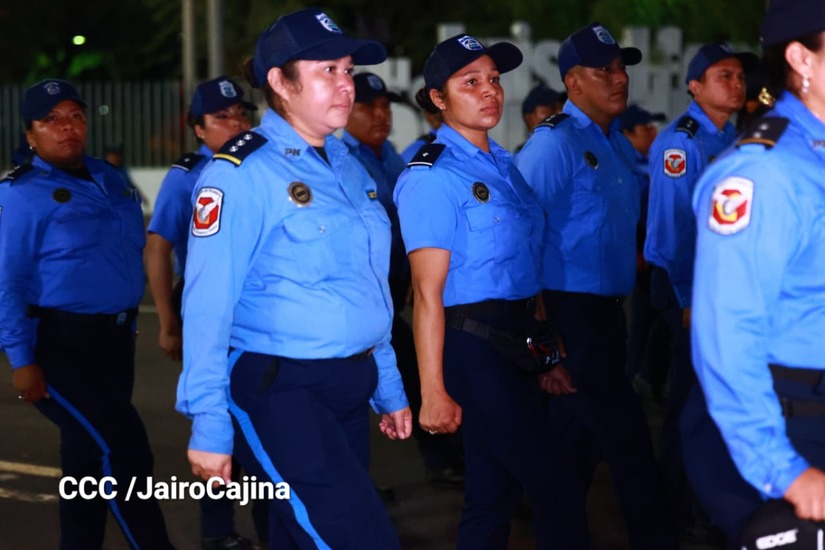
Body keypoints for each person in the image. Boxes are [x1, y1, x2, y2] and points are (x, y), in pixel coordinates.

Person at [176, 8, 412, 549]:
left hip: (349, 385)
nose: (345, 86)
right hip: (281, 388)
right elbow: (207, 305)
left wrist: (389, 386)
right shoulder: (241, 174)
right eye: (327, 71)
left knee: (298, 533)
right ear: (281, 82)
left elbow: (367, 287)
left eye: (348, 71)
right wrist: (209, 425)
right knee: (359, 538)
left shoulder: (349, 165)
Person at [394, 33, 589, 549]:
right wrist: (432, 391)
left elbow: (526, 265)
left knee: (492, 492)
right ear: (438, 97)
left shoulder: (505, 166)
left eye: (495, 80)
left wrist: (547, 355)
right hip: (473, 347)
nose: (490, 92)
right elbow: (426, 294)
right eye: (471, 82)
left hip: (521, 337)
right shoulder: (432, 176)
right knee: (558, 483)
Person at [516, 22, 676, 549]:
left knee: (573, 452)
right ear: (572, 82)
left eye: (620, 67)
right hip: (570, 316)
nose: (617, 78)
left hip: (606, 313)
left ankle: (547, 530)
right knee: (629, 445)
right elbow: (521, 239)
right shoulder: (555, 144)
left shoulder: (613, 143)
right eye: (602, 69)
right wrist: (544, 340)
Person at [0, 79, 174, 549]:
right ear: (30, 135)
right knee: (125, 453)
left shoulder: (108, 175)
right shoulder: (20, 194)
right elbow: (7, 280)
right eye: (50, 121)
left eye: (74, 116)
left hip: (114, 340)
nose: (66, 128)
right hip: (60, 345)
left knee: (85, 462)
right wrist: (21, 359)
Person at [691, 0, 825, 531]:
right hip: (795, 425)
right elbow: (727, 332)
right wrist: (786, 472)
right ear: (802, 59)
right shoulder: (764, 172)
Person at [645, 42, 763, 544]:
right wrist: (691, 300)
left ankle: (698, 503)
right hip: (689, 289)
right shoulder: (684, 143)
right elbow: (674, 234)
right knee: (693, 404)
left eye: (739, 75)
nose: (735, 84)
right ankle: (677, 510)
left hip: (726, 293)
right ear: (694, 85)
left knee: (709, 400)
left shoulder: (736, 138)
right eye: (722, 75)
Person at [146, 76, 262, 550]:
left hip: (259, 318)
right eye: (221, 119)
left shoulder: (265, 165)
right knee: (219, 424)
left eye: (241, 115)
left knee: (263, 428)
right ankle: (217, 531)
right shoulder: (188, 176)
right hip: (214, 318)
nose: (235, 125)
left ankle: (276, 524)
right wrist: (168, 323)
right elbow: (158, 249)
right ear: (198, 128)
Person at [343, 72, 464, 488]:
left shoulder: (392, 158)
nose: (380, 115)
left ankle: (437, 458)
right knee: (365, 384)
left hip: (397, 290)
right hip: (361, 295)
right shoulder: (341, 160)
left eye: (383, 107)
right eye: (367, 106)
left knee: (410, 374)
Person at [619, 105, 671, 406]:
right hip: (640, 249)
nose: (653, 132)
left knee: (656, 319)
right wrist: (635, 250)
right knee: (642, 318)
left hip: (657, 250)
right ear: (627, 134)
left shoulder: (653, 162)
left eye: (653, 127)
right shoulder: (629, 168)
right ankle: (636, 374)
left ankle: (649, 375)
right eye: (645, 128)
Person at [513, 82, 562, 155]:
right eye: (549, 112)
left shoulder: (563, 146)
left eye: (559, 109)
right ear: (530, 118)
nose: (558, 114)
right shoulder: (524, 155)